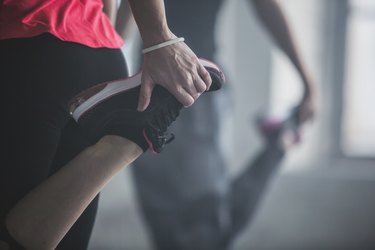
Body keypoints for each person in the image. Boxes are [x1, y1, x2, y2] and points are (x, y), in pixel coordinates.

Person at [0, 0, 222, 249]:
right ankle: (125, 141)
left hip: (24, 46)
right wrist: (109, 39)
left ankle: (124, 143)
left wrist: (159, 38)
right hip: (97, 48)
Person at [109, 0, 317, 249]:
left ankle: (279, 144)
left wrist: (308, 82)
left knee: (198, 227)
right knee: (179, 228)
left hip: (195, 87)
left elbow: (266, 6)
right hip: (149, 89)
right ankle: (279, 143)